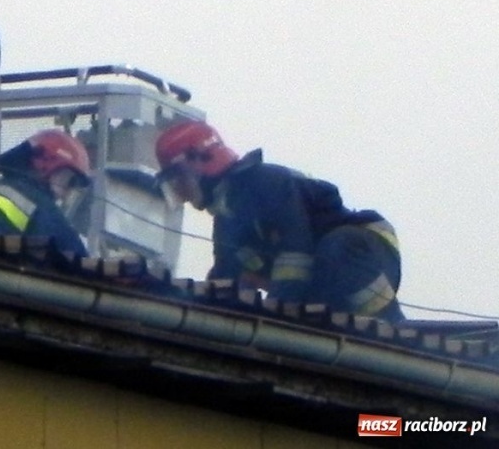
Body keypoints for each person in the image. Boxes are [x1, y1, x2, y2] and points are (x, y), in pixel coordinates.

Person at [155, 121, 405, 322]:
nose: (183, 195)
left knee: (335, 249)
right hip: (324, 272)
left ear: (201, 160)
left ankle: (392, 330)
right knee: (316, 291)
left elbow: (295, 255)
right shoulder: (227, 221)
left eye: (179, 181)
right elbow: (224, 279)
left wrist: (277, 313)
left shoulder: (265, 182)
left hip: (364, 248)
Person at [0, 130, 92, 258]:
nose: (67, 194)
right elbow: (77, 257)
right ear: (46, 163)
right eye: (71, 181)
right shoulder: (39, 206)